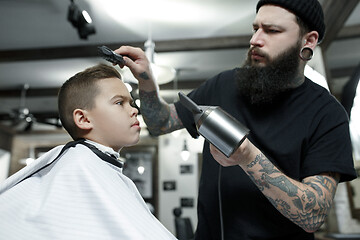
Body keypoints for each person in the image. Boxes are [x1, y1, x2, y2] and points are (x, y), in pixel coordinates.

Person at [114, 0, 357, 239]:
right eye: (255, 28)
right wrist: (146, 79)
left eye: (272, 30)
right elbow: (160, 123)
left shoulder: (327, 114)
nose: (255, 40)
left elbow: (313, 216)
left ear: (309, 40)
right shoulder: (224, 85)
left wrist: (248, 157)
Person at [0, 64, 177, 240]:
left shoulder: (97, 166)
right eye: (119, 103)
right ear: (83, 119)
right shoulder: (79, 167)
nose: (134, 110)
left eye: (130, 103)